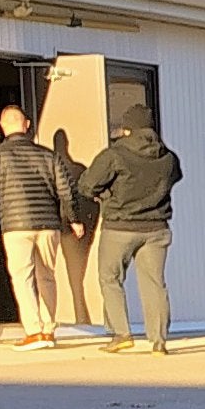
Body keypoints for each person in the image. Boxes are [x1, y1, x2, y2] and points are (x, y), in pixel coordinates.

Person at [0, 102, 91, 347]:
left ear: (2, 125)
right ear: (27, 125)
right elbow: (66, 191)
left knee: (23, 276)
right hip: (49, 224)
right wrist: (74, 219)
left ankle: (34, 331)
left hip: (16, 226)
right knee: (47, 276)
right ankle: (49, 330)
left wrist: (4, 214)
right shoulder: (49, 156)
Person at [75, 109, 186, 356]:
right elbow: (176, 177)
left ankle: (121, 334)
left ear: (127, 129)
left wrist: (105, 195)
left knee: (110, 278)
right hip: (157, 228)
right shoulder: (168, 157)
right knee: (154, 283)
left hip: (119, 227)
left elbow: (86, 184)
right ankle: (158, 341)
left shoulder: (114, 155)